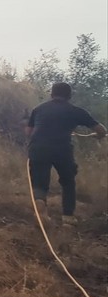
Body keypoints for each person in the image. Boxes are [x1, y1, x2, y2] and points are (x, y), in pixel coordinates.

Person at [26, 82, 106, 225]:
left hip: (38, 148)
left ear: (51, 94)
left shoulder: (38, 109)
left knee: (39, 181)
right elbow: (101, 130)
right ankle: (68, 217)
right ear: (69, 96)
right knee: (68, 181)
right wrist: (97, 135)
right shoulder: (76, 111)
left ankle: (40, 204)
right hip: (62, 149)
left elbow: (29, 132)